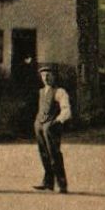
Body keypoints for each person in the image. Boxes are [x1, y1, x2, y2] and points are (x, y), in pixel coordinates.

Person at [34, 64, 72, 193]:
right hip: (40, 125)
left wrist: (57, 121)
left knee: (54, 154)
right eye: (43, 76)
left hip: (51, 126)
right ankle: (48, 183)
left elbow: (66, 110)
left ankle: (62, 184)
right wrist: (37, 122)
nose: (45, 78)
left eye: (48, 75)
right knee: (43, 154)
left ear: (54, 76)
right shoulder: (41, 91)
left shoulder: (59, 92)